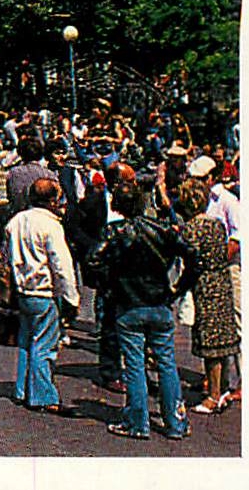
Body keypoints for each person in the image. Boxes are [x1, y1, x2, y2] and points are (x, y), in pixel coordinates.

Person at [91, 179, 198, 440]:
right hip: (159, 301)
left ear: (117, 205)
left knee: (135, 364)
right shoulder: (162, 229)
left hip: (129, 305)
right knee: (166, 361)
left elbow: (93, 260)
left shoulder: (114, 232)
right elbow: (194, 256)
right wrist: (178, 288)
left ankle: (138, 422)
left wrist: (111, 287)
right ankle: (175, 421)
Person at [4, 177, 80, 413]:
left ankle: (22, 389)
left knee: (26, 341)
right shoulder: (51, 226)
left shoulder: (15, 221)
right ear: (51, 201)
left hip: (22, 290)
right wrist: (72, 298)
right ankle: (43, 396)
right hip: (44, 291)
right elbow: (62, 266)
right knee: (44, 345)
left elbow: (6, 254)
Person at [174, 178, 237, 414]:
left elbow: (190, 265)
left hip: (205, 285)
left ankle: (213, 396)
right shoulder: (217, 225)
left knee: (210, 343)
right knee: (222, 341)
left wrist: (177, 289)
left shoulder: (192, 229)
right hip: (221, 281)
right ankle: (220, 388)